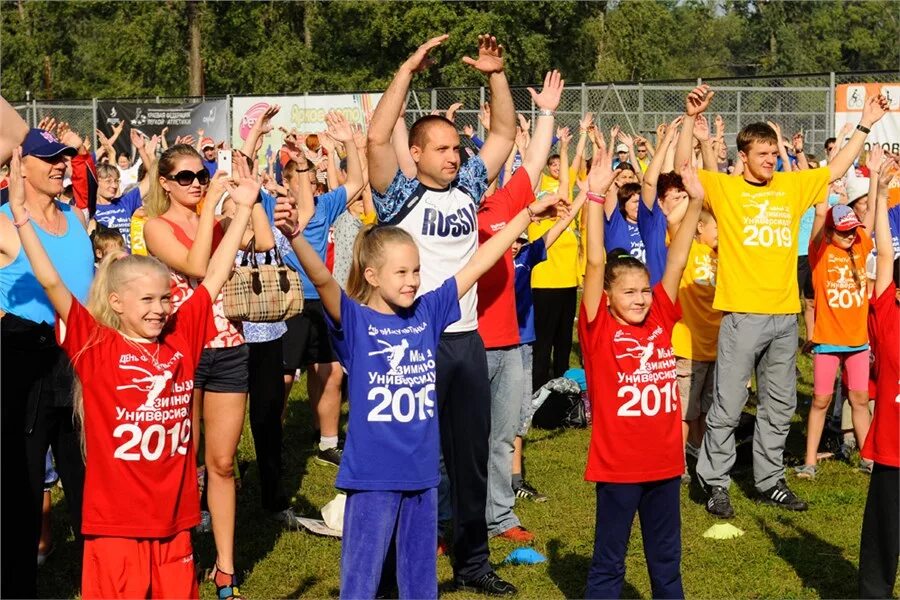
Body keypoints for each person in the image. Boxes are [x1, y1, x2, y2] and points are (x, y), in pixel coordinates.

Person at [284, 167, 559, 598]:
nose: (412, 280)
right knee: (362, 581)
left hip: (422, 475)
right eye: (401, 273)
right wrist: (296, 235)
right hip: (372, 477)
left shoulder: (428, 312)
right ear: (372, 275)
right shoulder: (356, 321)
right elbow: (321, 279)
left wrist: (526, 215)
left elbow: (479, 263)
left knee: (419, 581)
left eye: (416, 271)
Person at [8, 145, 268, 599]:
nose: (160, 309)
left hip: (175, 520)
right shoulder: (95, 345)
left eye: (165, 298)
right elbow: (51, 282)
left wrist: (245, 208)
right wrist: (21, 219)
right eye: (147, 301)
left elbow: (214, 276)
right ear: (115, 303)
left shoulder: (181, 335)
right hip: (115, 527)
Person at [675, 84, 890, 518]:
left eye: (774, 153)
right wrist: (689, 122)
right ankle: (715, 481)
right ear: (744, 156)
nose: (771, 160)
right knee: (729, 404)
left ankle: (769, 479)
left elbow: (835, 168)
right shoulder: (727, 189)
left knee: (779, 404)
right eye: (763, 154)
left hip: (783, 317)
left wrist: (865, 123)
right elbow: (685, 170)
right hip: (742, 316)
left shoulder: (790, 187)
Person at [366, 34, 519, 595]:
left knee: (470, 457)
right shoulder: (399, 197)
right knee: (412, 459)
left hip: (465, 341)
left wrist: (496, 75)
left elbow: (503, 133)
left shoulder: (469, 187)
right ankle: (400, 562)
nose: (455, 156)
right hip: (411, 343)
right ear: (419, 152)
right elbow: (377, 136)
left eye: (457, 148)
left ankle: (473, 562)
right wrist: (406, 69)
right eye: (443, 149)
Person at [143, 144, 273, 599]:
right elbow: (198, 267)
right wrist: (214, 209)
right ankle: (174, 559)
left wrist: (250, 199)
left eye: (202, 174)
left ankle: (225, 568)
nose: (197, 182)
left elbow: (264, 242)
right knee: (183, 461)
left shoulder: (217, 222)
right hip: (183, 350)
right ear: (164, 183)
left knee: (221, 462)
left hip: (230, 347)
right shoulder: (155, 228)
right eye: (185, 177)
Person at [579, 142, 704, 598]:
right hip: (618, 468)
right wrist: (594, 199)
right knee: (609, 561)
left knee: (666, 562)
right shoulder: (597, 329)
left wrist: (697, 201)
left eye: (643, 291)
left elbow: (677, 258)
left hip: (665, 463)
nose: (639, 298)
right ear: (608, 296)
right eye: (628, 291)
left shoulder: (659, 315)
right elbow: (596, 262)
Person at [0, 127, 91, 599]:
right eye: (49, 157)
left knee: (85, 481)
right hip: (22, 362)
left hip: (78, 363)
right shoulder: (2, 220)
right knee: (23, 485)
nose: (60, 165)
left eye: (64, 158)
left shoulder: (76, 218)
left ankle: (98, 583)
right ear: (22, 165)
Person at [475, 69, 564, 544]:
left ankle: (501, 517)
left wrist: (545, 112)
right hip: (463, 339)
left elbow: (531, 160)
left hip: (510, 341)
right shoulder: (452, 210)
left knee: (503, 436)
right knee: (458, 441)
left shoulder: (507, 202)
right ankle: (451, 519)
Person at [278, 112, 364, 467]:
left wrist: (346, 142)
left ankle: (327, 441)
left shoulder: (327, 206)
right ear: (288, 184)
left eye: (312, 182)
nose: (309, 188)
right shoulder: (276, 207)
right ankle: (274, 440)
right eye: (301, 181)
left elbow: (358, 180)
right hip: (290, 301)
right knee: (283, 377)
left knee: (329, 371)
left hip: (326, 303)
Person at [511, 185, 588, 503]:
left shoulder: (527, 257)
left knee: (516, 416)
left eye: (520, 239)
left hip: (522, 344)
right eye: (512, 238)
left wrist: (585, 197)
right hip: (490, 345)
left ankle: (515, 479)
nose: (516, 244)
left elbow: (554, 232)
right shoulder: (486, 260)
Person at [796, 202, 874, 479]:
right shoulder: (820, 252)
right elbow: (818, 220)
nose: (850, 235)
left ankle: (867, 458)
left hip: (858, 342)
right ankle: (809, 462)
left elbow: (872, 216)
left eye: (853, 229)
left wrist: (877, 180)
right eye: (843, 231)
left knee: (860, 398)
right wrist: (822, 193)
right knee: (820, 400)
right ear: (829, 232)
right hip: (827, 340)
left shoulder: (861, 245)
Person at [857, 162, 899, 598]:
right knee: (885, 537)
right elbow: (884, 256)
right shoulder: (888, 317)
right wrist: (882, 194)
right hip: (894, 451)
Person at [670, 209, 720, 477]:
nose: (721, 235)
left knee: (706, 409)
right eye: (717, 228)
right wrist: (694, 196)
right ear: (699, 227)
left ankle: (698, 454)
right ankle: (678, 464)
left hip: (716, 347)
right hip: (688, 346)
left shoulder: (722, 256)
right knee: (686, 410)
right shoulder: (687, 249)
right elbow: (673, 221)